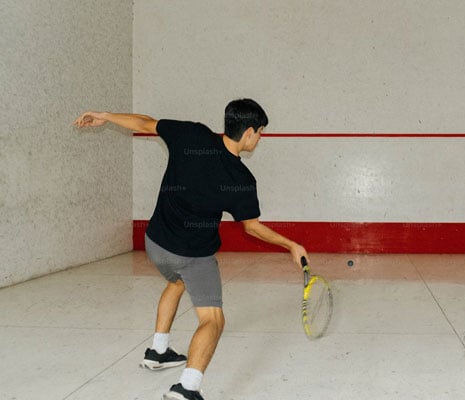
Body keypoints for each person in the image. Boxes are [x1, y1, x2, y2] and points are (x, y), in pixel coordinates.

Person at [74, 99, 309, 400]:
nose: (259, 138)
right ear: (249, 132)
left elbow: (145, 123)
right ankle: (188, 387)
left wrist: (105, 116)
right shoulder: (241, 180)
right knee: (212, 320)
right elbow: (252, 228)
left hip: (155, 243)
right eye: (260, 132)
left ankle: (157, 352)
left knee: (177, 281)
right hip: (192, 255)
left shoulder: (191, 135)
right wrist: (291, 245)